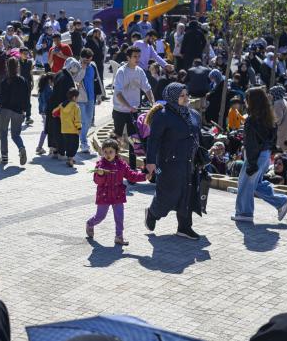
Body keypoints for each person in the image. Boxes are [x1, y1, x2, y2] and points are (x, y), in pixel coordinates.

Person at [143, 83, 203, 240]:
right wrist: (150, 162)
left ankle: (184, 227)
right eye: (181, 95)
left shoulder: (194, 114)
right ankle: (153, 213)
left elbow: (198, 136)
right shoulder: (163, 115)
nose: (186, 98)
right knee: (168, 195)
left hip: (189, 162)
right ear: (173, 97)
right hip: (168, 164)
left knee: (187, 193)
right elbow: (153, 140)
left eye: (186, 94)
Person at [232, 86, 287, 223]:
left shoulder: (252, 120)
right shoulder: (268, 118)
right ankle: (281, 201)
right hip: (264, 155)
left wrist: (252, 163)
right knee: (255, 184)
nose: (245, 101)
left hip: (256, 156)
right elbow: (272, 139)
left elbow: (251, 144)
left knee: (245, 184)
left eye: (247, 99)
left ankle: (244, 213)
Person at [87, 139, 147, 244]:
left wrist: (144, 176)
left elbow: (131, 175)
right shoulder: (100, 165)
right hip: (104, 195)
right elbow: (97, 181)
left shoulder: (121, 164)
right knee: (100, 216)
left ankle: (119, 237)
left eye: (111, 151)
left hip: (118, 195)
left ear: (116, 152)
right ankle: (90, 223)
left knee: (119, 216)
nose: (108, 154)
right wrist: (100, 175)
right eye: (105, 152)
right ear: (102, 152)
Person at [112, 47, 154, 171]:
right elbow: (118, 94)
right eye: (135, 56)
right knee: (117, 138)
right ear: (128, 58)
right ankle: (112, 163)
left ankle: (132, 167)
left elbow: (147, 89)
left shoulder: (140, 71)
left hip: (134, 111)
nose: (137, 59)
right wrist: (129, 107)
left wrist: (153, 103)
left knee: (134, 140)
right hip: (120, 110)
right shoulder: (121, 72)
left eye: (138, 56)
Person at [0, 57, 29, 165]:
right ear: (18, 67)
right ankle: (21, 148)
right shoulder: (23, 80)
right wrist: (25, 111)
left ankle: (4, 157)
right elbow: (26, 98)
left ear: (7, 67)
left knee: (3, 133)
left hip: (5, 110)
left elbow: (3, 98)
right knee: (15, 135)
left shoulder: (5, 81)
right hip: (18, 111)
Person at [46, 59, 81, 158]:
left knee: (54, 129)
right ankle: (61, 153)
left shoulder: (60, 73)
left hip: (54, 106)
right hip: (62, 108)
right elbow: (67, 96)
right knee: (61, 131)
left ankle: (55, 151)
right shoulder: (67, 78)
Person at [77, 48, 98, 154]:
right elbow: (76, 80)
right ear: (81, 58)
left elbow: (97, 81)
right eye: (85, 61)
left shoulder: (92, 66)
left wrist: (99, 95)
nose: (87, 63)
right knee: (83, 120)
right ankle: (83, 142)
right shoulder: (76, 66)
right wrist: (83, 69)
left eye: (89, 61)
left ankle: (82, 138)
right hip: (80, 98)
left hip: (91, 97)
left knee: (89, 121)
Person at [55, 88, 82, 167]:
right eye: (77, 97)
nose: (78, 99)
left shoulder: (62, 105)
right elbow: (77, 119)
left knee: (68, 145)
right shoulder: (75, 106)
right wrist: (79, 128)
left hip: (64, 129)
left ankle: (70, 158)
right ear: (74, 97)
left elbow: (54, 112)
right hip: (73, 130)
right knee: (75, 145)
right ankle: (71, 159)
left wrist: (60, 115)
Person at [35, 73, 54, 155]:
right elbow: (50, 101)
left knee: (46, 129)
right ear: (49, 80)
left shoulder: (41, 89)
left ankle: (41, 147)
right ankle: (42, 147)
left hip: (43, 112)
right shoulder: (48, 89)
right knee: (48, 130)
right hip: (47, 111)